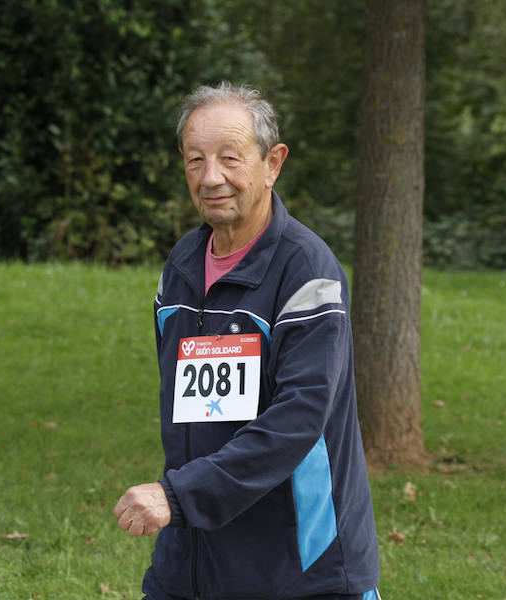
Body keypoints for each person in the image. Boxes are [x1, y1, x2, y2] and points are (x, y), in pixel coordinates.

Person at [114, 82, 381, 600]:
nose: (211, 178)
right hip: (190, 564)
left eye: (230, 158)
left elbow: (297, 421)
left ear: (272, 163)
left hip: (298, 571)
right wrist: (184, 505)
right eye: (195, 160)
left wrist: (179, 495)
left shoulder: (306, 271)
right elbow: (190, 418)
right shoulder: (182, 267)